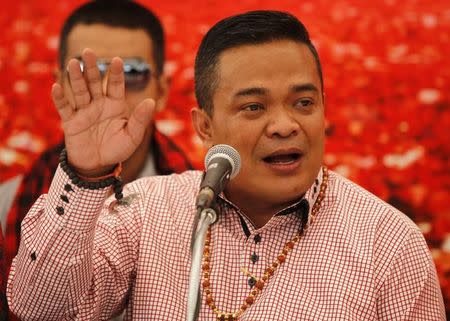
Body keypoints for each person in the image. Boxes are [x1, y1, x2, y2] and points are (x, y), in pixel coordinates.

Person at [7, 10, 445, 320]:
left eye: (304, 103)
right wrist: (86, 176)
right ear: (205, 126)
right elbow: (40, 308)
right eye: (253, 107)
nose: (284, 125)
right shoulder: (145, 211)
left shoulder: (389, 244)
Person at [3, 0, 194, 276]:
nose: (107, 91)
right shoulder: (6, 206)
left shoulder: (208, 208)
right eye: (84, 73)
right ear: (61, 85)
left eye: (132, 73)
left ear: (162, 91)